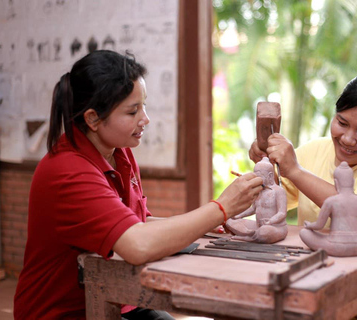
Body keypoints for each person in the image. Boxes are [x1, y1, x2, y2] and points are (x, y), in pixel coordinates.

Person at [13, 50, 264, 319]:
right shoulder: (67, 171)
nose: (145, 119)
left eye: (144, 106)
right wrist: (221, 208)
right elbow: (137, 245)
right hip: (67, 312)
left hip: (116, 297)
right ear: (93, 119)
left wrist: (202, 224)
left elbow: (137, 223)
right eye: (133, 111)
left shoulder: (119, 151)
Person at [249, 73, 357, 320]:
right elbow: (273, 195)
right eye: (341, 123)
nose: (347, 139)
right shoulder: (316, 150)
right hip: (312, 289)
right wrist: (264, 164)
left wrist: (295, 170)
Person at [299, 161, 357, 257]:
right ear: (352, 182)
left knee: (304, 232)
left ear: (336, 183)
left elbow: (319, 225)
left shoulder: (330, 201)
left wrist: (310, 225)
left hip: (334, 245)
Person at [225, 157, 288, 243]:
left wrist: (270, 221)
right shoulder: (259, 190)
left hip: (274, 227)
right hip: (258, 226)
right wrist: (239, 215)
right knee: (230, 221)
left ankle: (250, 237)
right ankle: (252, 234)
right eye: (255, 176)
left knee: (264, 232)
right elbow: (253, 208)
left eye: (260, 176)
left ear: (270, 176)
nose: (257, 179)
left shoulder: (278, 191)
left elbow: (282, 213)